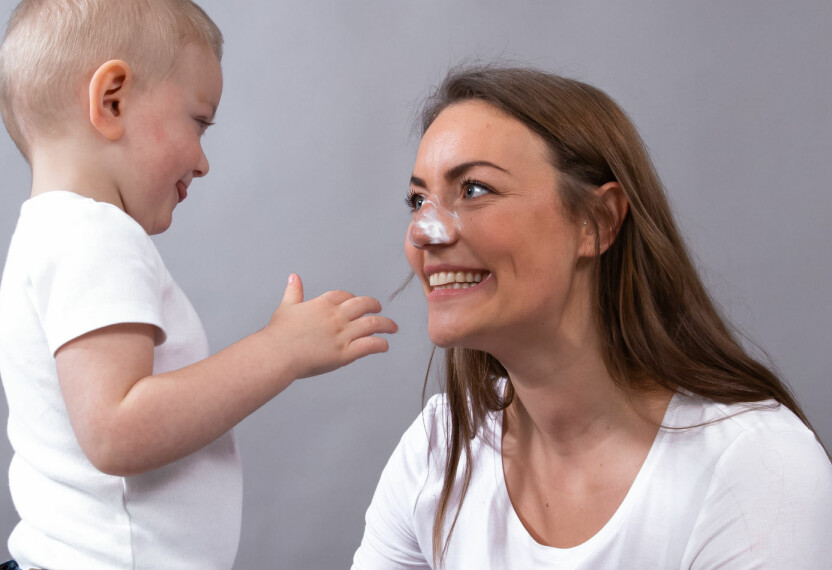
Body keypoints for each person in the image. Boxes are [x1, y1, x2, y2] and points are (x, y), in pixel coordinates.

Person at [352, 65, 832, 569]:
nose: (423, 233)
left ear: (597, 222)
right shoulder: (438, 447)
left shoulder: (756, 470)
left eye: (473, 190)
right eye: (417, 200)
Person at [0, 1, 398, 568]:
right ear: (112, 101)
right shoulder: (95, 235)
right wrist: (281, 350)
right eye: (199, 122)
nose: (204, 162)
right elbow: (117, 431)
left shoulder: (55, 233)